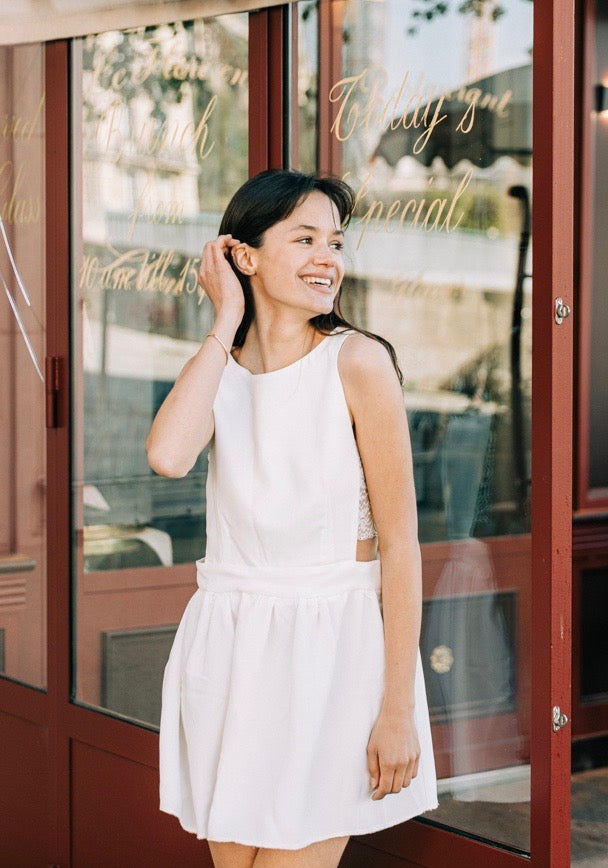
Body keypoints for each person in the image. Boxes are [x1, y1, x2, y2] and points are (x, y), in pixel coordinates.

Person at [146, 169, 438, 868]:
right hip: (232, 646)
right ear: (243, 255)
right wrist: (223, 321)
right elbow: (167, 455)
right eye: (303, 238)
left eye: (334, 242)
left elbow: (401, 546)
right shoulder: (224, 368)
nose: (327, 259)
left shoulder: (358, 362)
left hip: (333, 651)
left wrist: (395, 707)